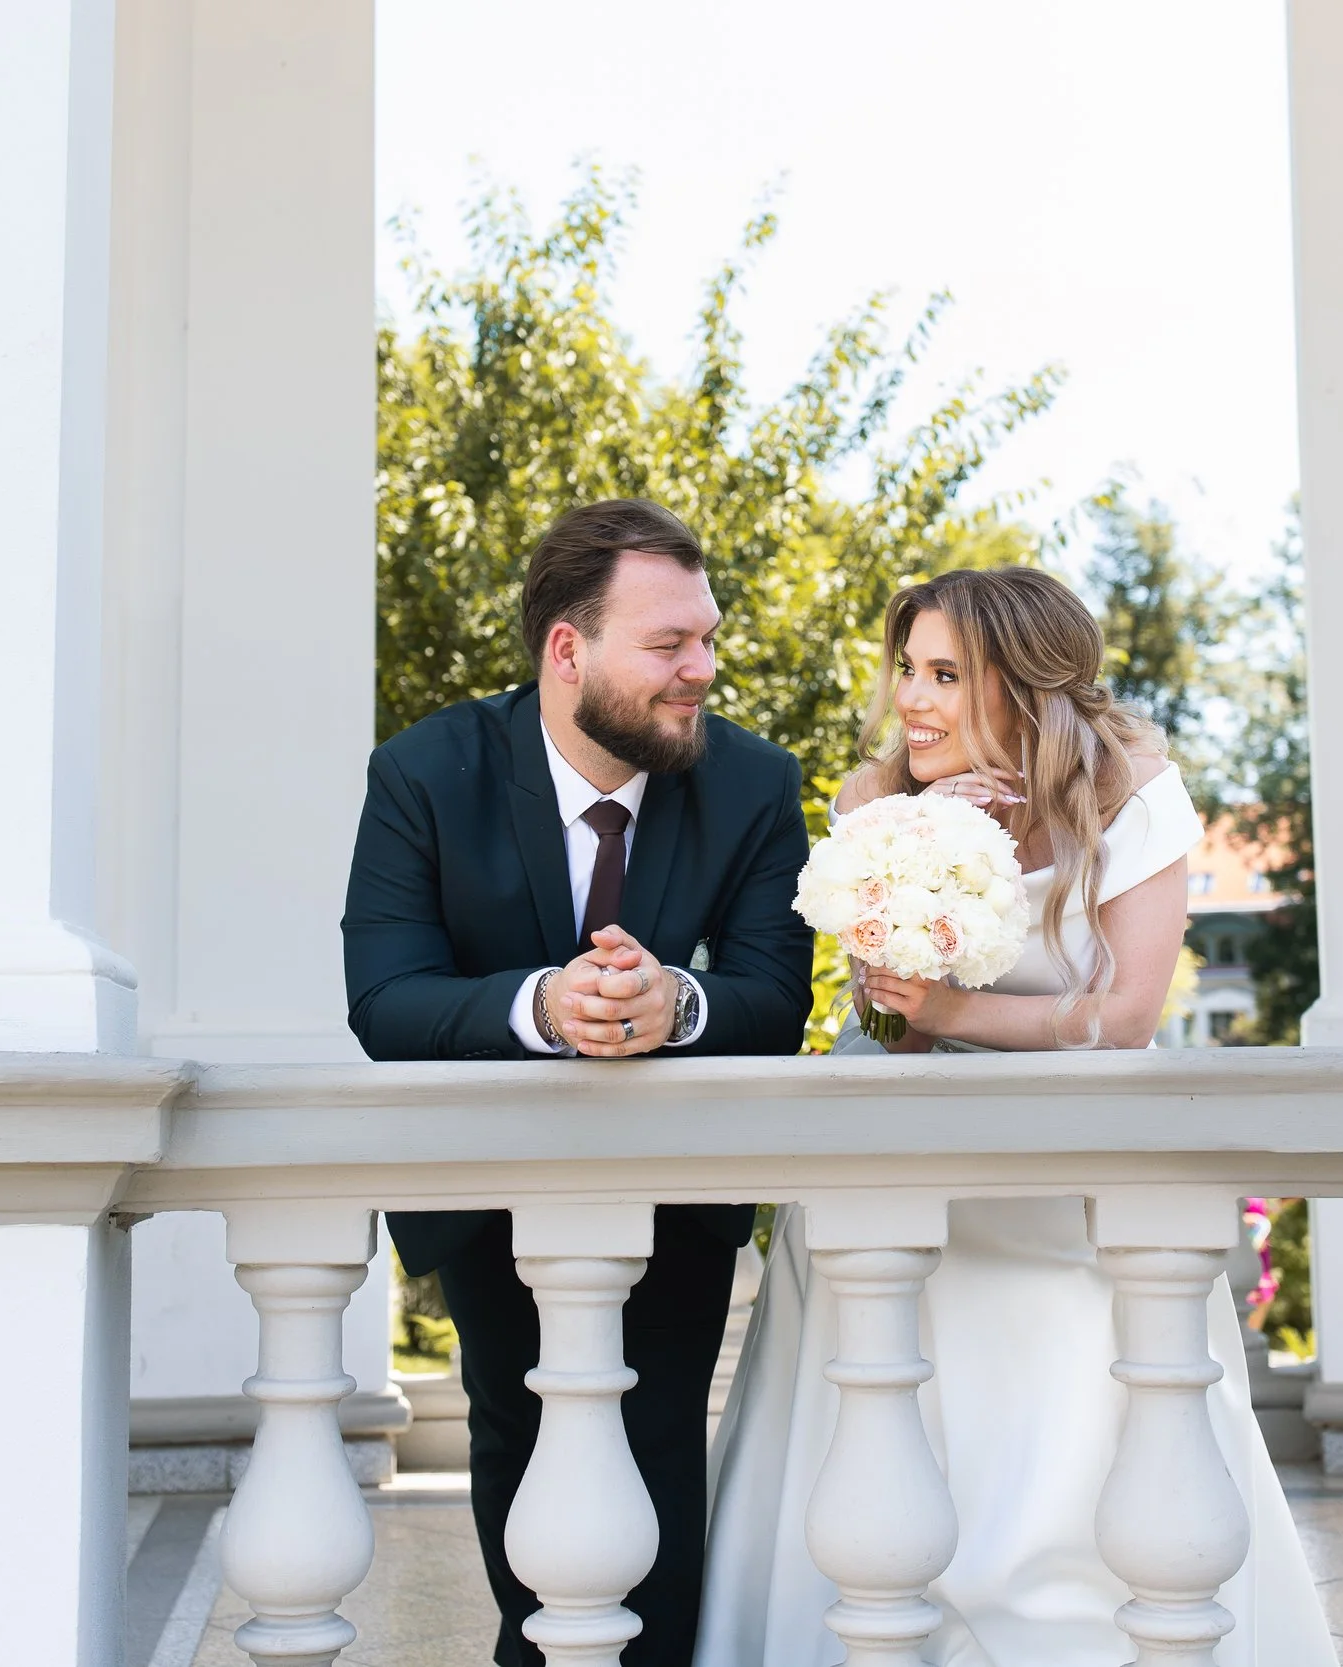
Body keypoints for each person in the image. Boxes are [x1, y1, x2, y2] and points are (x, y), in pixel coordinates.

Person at [698, 566, 1336, 1667]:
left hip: (1066, 1201)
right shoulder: (874, 798)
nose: (913, 697)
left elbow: (1129, 1014)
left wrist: (958, 1007)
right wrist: (922, 847)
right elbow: (890, 1029)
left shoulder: (1129, 789)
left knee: (1082, 1494)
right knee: (878, 1479)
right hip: (904, 1184)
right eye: (906, 668)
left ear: (1020, 684)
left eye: (945, 673)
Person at [341, 498, 812, 1667]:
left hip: (677, 1196)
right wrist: (542, 1004)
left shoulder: (755, 783)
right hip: (486, 1183)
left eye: (707, 637)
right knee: (514, 1431)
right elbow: (385, 994)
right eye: (669, 645)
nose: (701, 669)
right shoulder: (423, 771)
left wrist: (679, 1004)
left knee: (656, 1439)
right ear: (568, 649)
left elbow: (774, 992)